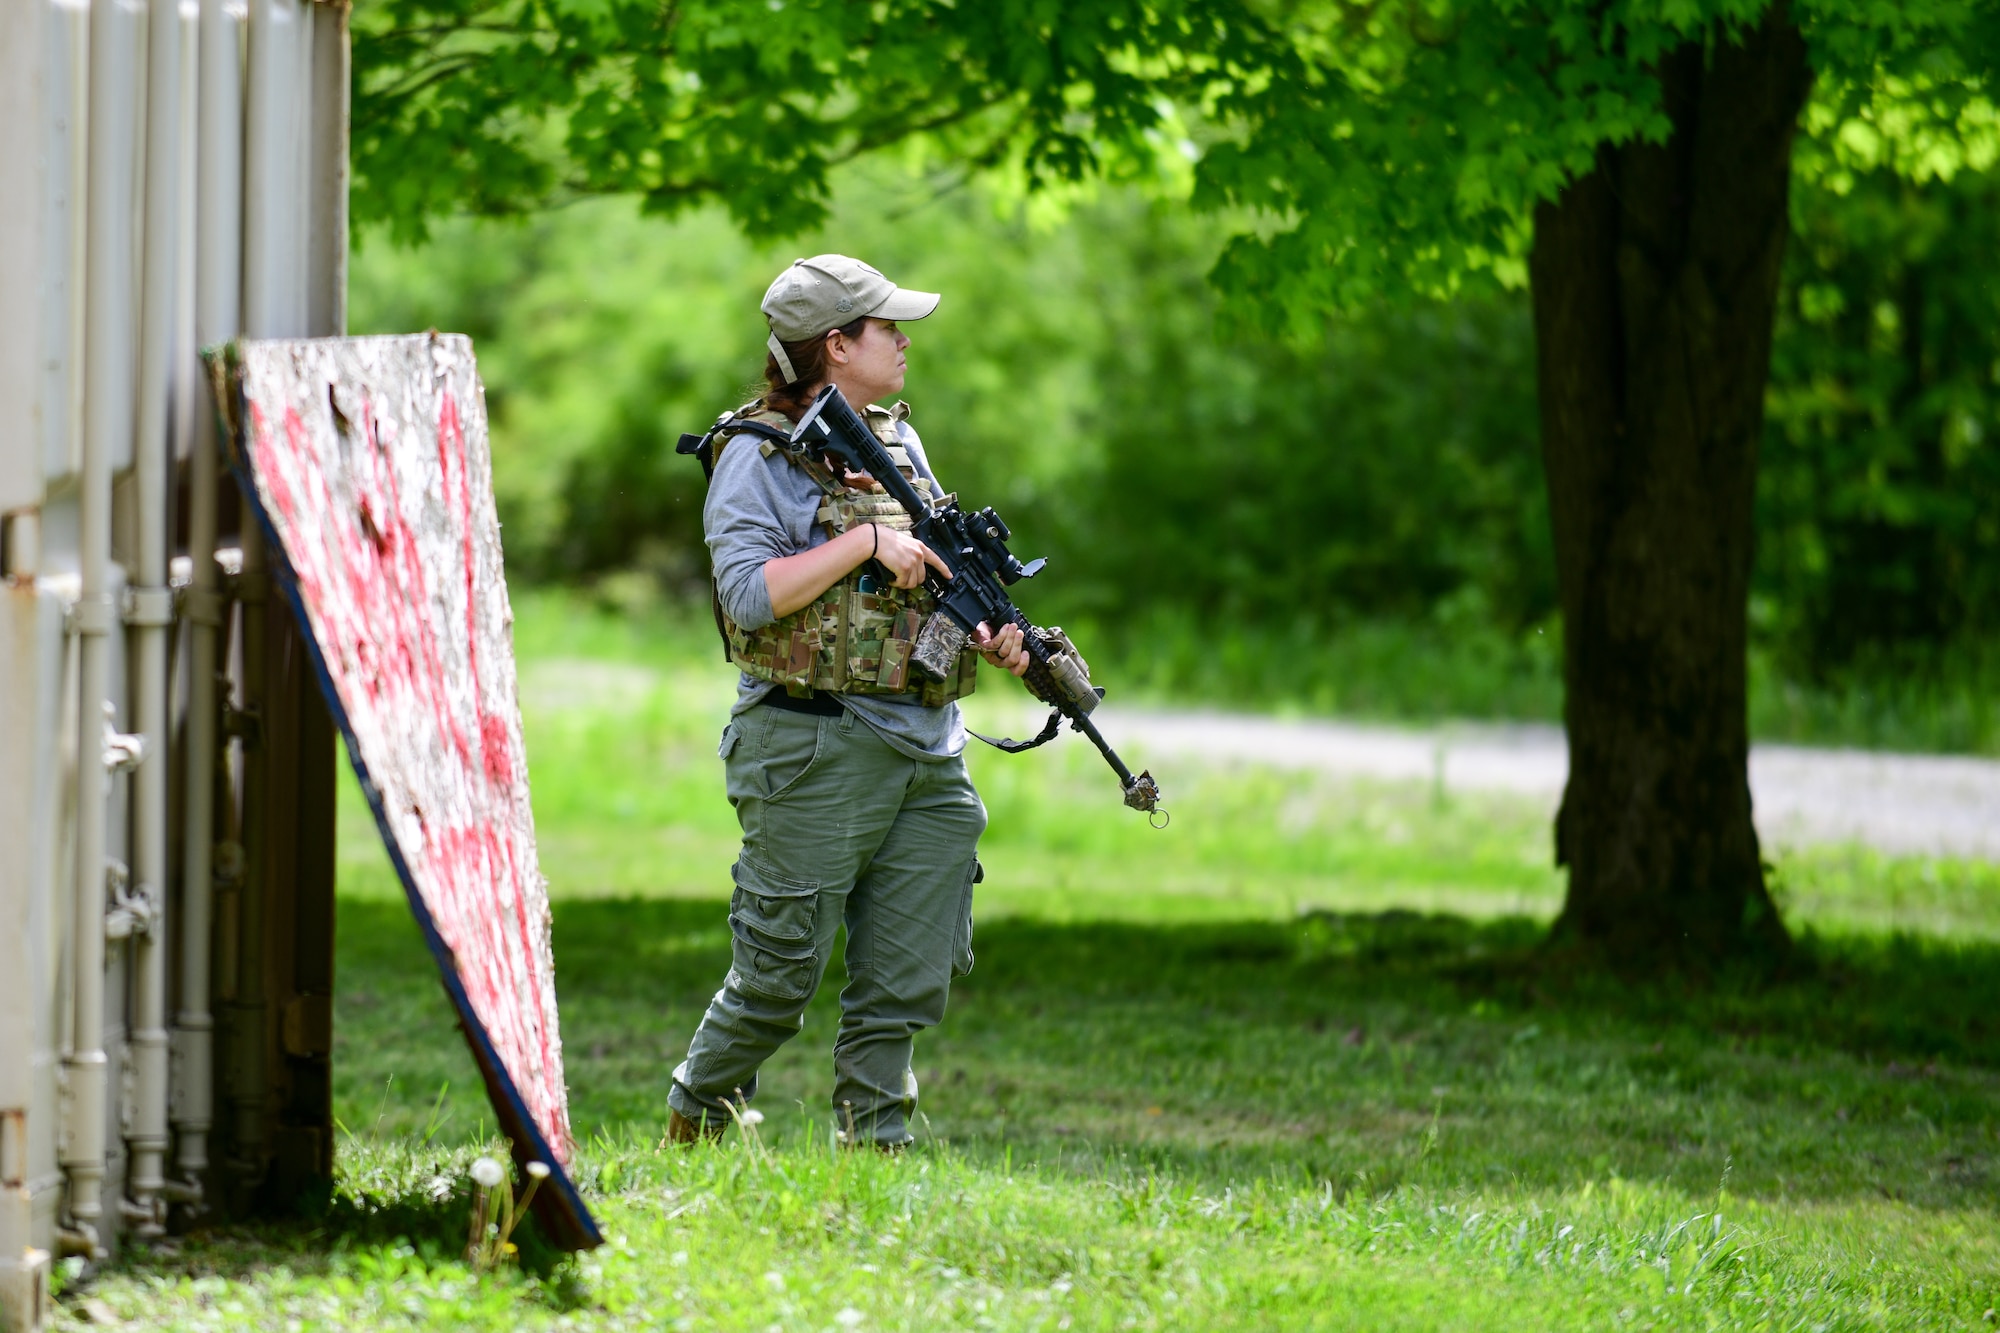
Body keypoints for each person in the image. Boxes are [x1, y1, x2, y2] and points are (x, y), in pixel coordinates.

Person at [666, 254, 1029, 1151]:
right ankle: (697, 1119)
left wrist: (993, 630)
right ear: (836, 345)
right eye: (886, 327)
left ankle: (878, 1150)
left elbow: (931, 572)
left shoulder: (897, 441)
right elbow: (750, 595)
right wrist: (864, 541)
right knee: (777, 978)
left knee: (903, 977)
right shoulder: (754, 454)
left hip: (926, 748)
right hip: (812, 745)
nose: (904, 341)